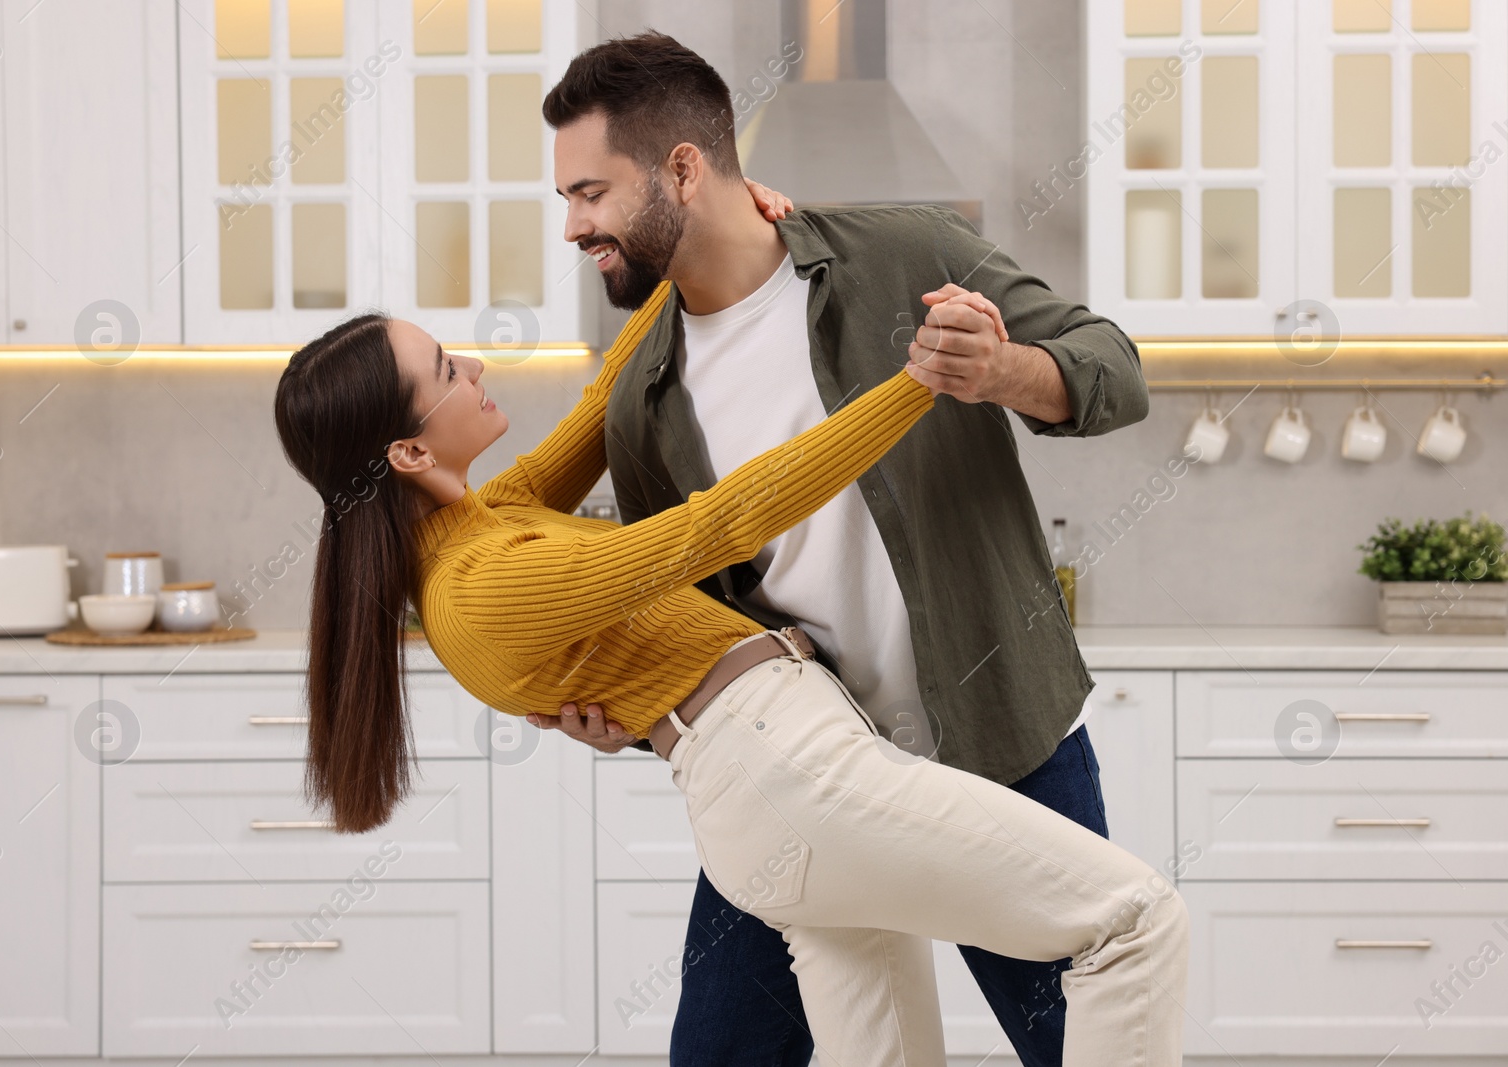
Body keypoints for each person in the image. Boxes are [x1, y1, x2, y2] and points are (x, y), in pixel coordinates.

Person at [272, 287, 1188, 1066]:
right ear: (409, 453)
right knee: (1132, 919)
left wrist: (692, 238)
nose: (471, 363)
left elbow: (601, 405)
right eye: (443, 371)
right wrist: (915, 387)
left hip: (778, 775)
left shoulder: (490, 517)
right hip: (786, 772)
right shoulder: (481, 585)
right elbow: (718, 526)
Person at [529, 32, 1153, 1067]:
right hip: (798, 776)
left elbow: (1113, 372)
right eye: (566, 199)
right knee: (723, 1051)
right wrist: (635, 714)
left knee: (1078, 1039)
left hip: (1002, 737)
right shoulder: (635, 395)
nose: (574, 224)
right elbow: (691, 616)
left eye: (589, 192)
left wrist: (1002, 369)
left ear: (683, 168)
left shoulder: (908, 253)